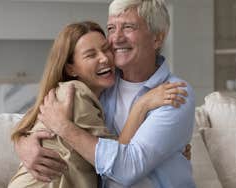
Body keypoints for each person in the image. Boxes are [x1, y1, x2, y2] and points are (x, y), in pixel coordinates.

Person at [15, 0, 197, 187]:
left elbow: (125, 169)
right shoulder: (100, 83)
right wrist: (23, 144)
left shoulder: (174, 93)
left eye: (128, 27)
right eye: (111, 28)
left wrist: (64, 127)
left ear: (157, 38)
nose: (116, 38)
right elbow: (32, 123)